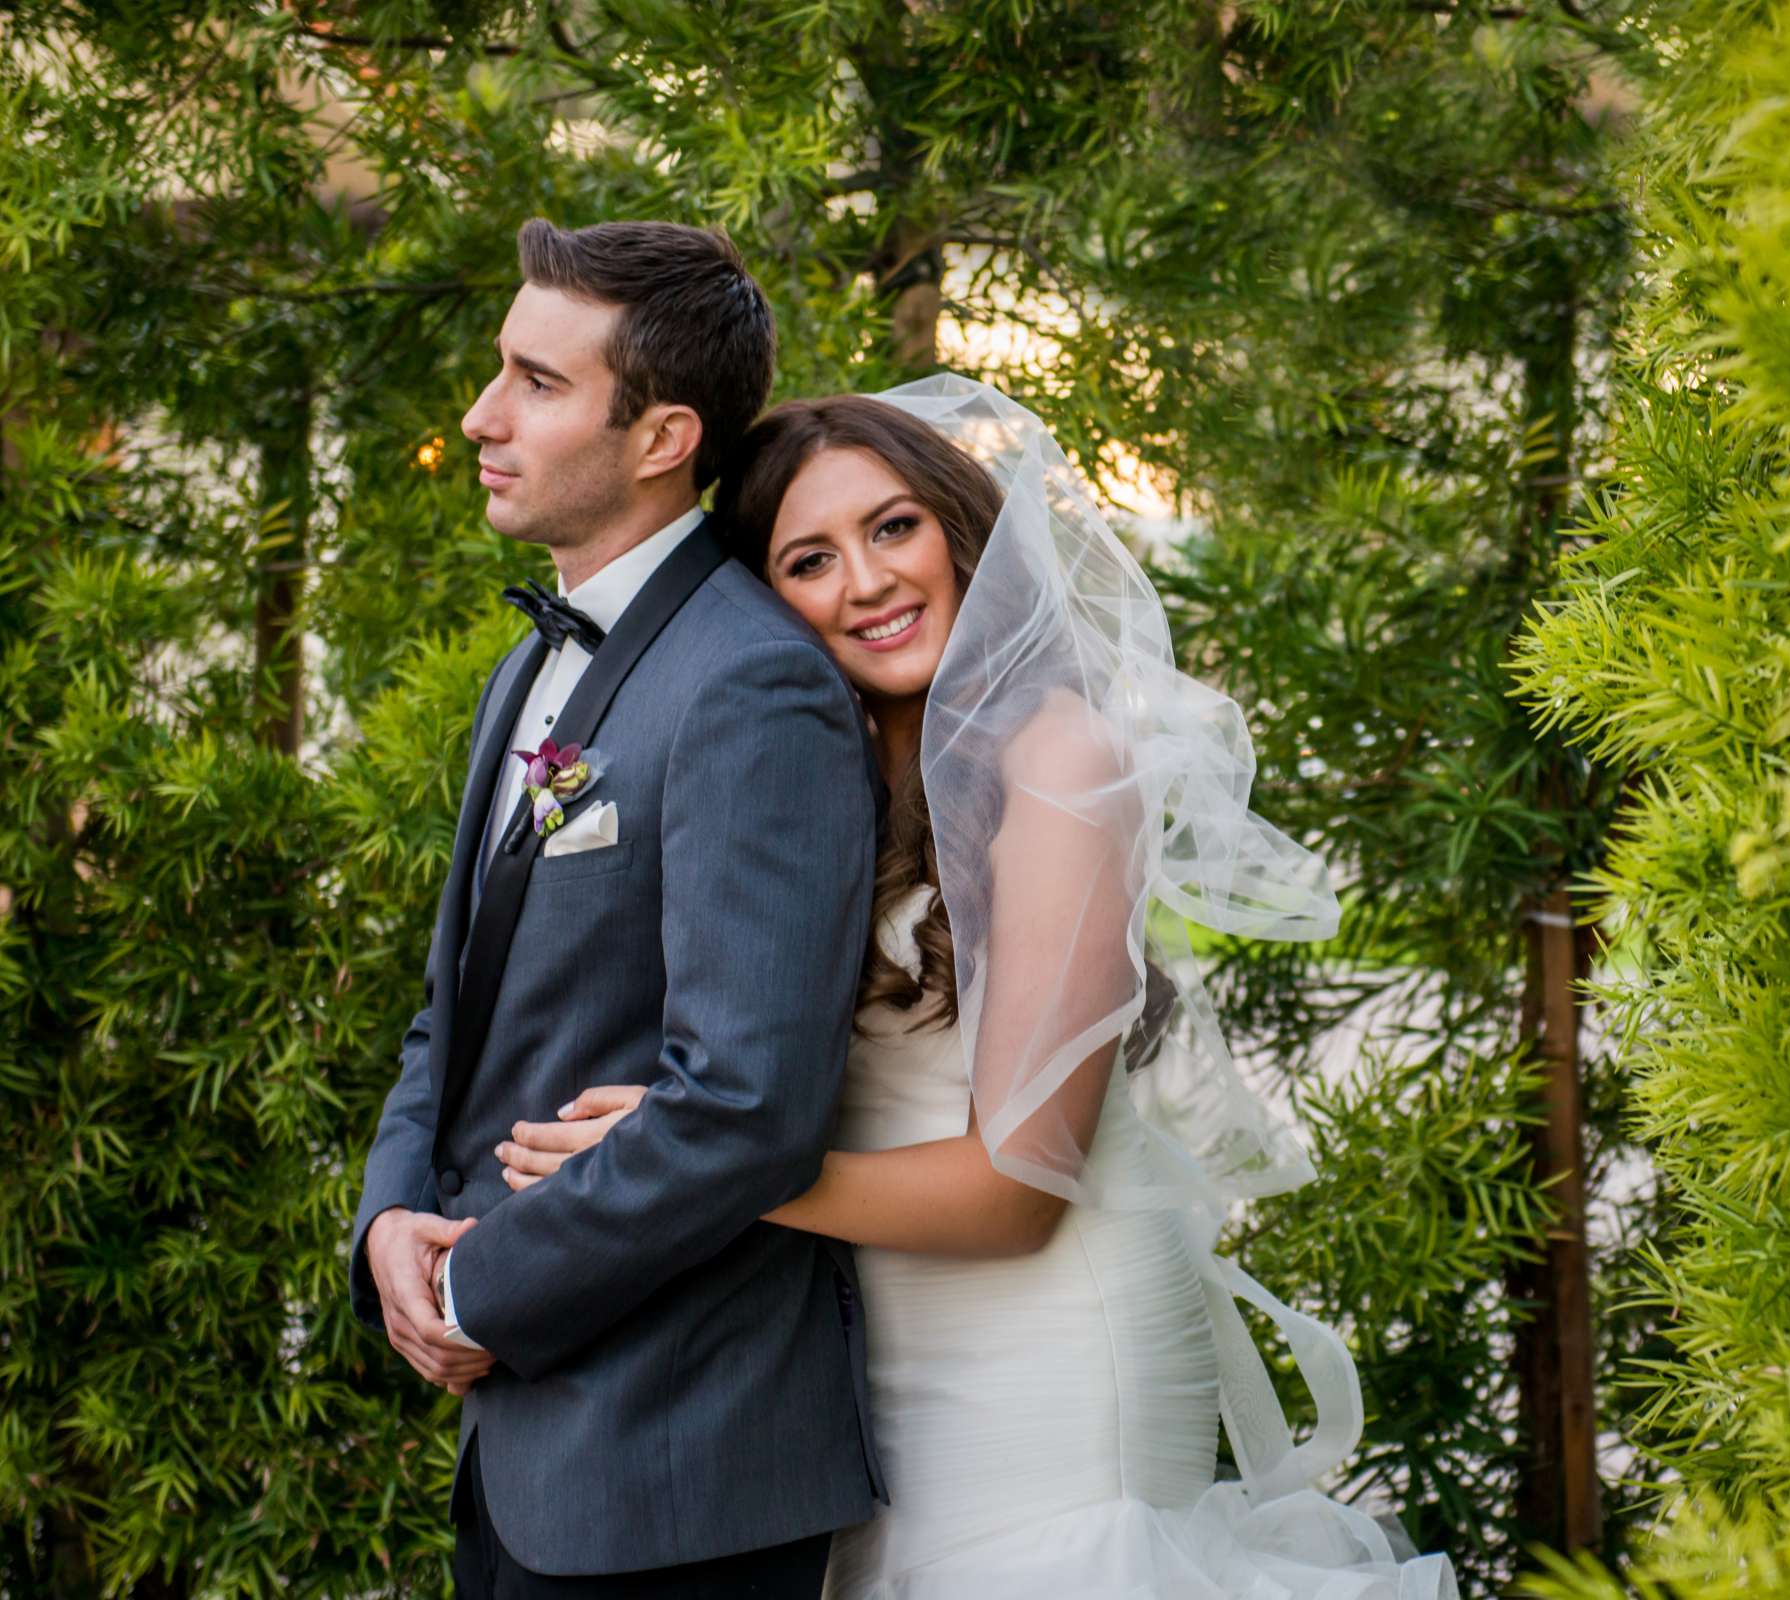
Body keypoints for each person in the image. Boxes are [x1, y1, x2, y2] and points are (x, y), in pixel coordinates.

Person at [496, 376, 1459, 1598]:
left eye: (893, 526)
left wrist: (687, 1166)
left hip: (1043, 1343)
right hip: (860, 1344)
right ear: (765, 598)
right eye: (810, 558)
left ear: (962, 530)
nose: (868, 581)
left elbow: (1016, 1192)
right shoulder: (822, 776)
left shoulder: (1059, 758)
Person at [345, 218, 884, 1598]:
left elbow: (745, 1104)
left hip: (673, 1466)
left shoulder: (751, 684)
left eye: (537, 381)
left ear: (661, 438)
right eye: (497, 371)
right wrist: (394, 1224)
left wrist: (484, 1293)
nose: (482, 414)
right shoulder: (533, 665)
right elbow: (453, 1007)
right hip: (532, 1447)